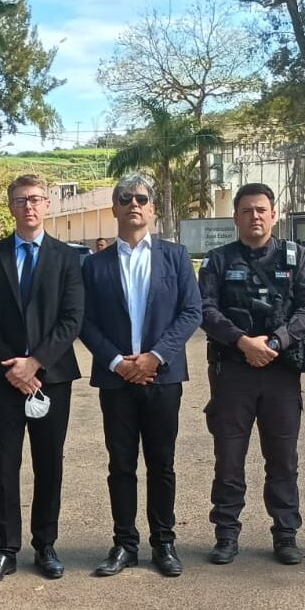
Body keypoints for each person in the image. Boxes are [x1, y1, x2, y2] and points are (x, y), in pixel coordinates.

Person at [78, 173, 202, 578]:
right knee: (121, 465)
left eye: (141, 198)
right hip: (116, 381)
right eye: (124, 198)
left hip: (162, 379)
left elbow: (191, 313)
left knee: (162, 464)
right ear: (114, 208)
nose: (134, 203)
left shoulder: (175, 257)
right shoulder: (93, 265)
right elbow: (86, 322)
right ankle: (124, 544)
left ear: (152, 208)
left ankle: (163, 543)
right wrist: (119, 363)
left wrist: (154, 357)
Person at [0, 173, 85, 585]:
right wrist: (12, 367)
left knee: (48, 462)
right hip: (3, 380)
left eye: (35, 199)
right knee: (3, 463)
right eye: (20, 200)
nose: (29, 206)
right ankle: (5, 549)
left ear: (48, 204)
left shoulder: (68, 258)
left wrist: (34, 363)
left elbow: (72, 319)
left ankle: (45, 545)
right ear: (11, 207)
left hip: (52, 378)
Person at [198, 182, 305, 566]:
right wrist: (242, 342)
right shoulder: (217, 260)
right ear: (236, 217)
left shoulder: (295, 256)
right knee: (229, 459)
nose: (255, 216)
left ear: (274, 214)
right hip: (232, 371)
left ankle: (285, 535)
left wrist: (276, 342)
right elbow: (204, 310)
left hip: (281, 372)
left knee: (283, 459)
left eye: (261, 210)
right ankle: (226, 535)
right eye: (247, 210)